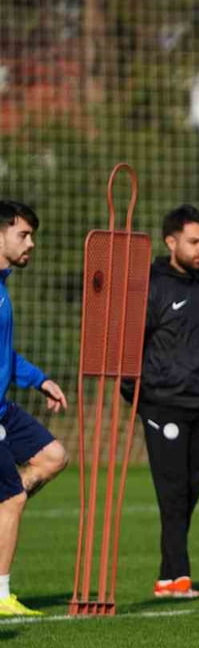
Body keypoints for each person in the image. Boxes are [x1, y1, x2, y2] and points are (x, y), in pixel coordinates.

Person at [128, 205, 199, 600]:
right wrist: (140, 395)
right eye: (193, 241)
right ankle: (176, 577)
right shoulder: (151, 287)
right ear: (171, 242)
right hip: (161, 405)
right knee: (172, 491)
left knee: (191, 491)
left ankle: (170, 576)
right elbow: (130, 347)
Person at [0, 201, 70, 617]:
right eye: (24, 234)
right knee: (11, 498)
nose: (32, 243)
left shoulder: (3, 284)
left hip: (4, 407)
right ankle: (1, 596)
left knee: (53, 456)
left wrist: (39, 379)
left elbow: (4, 356)